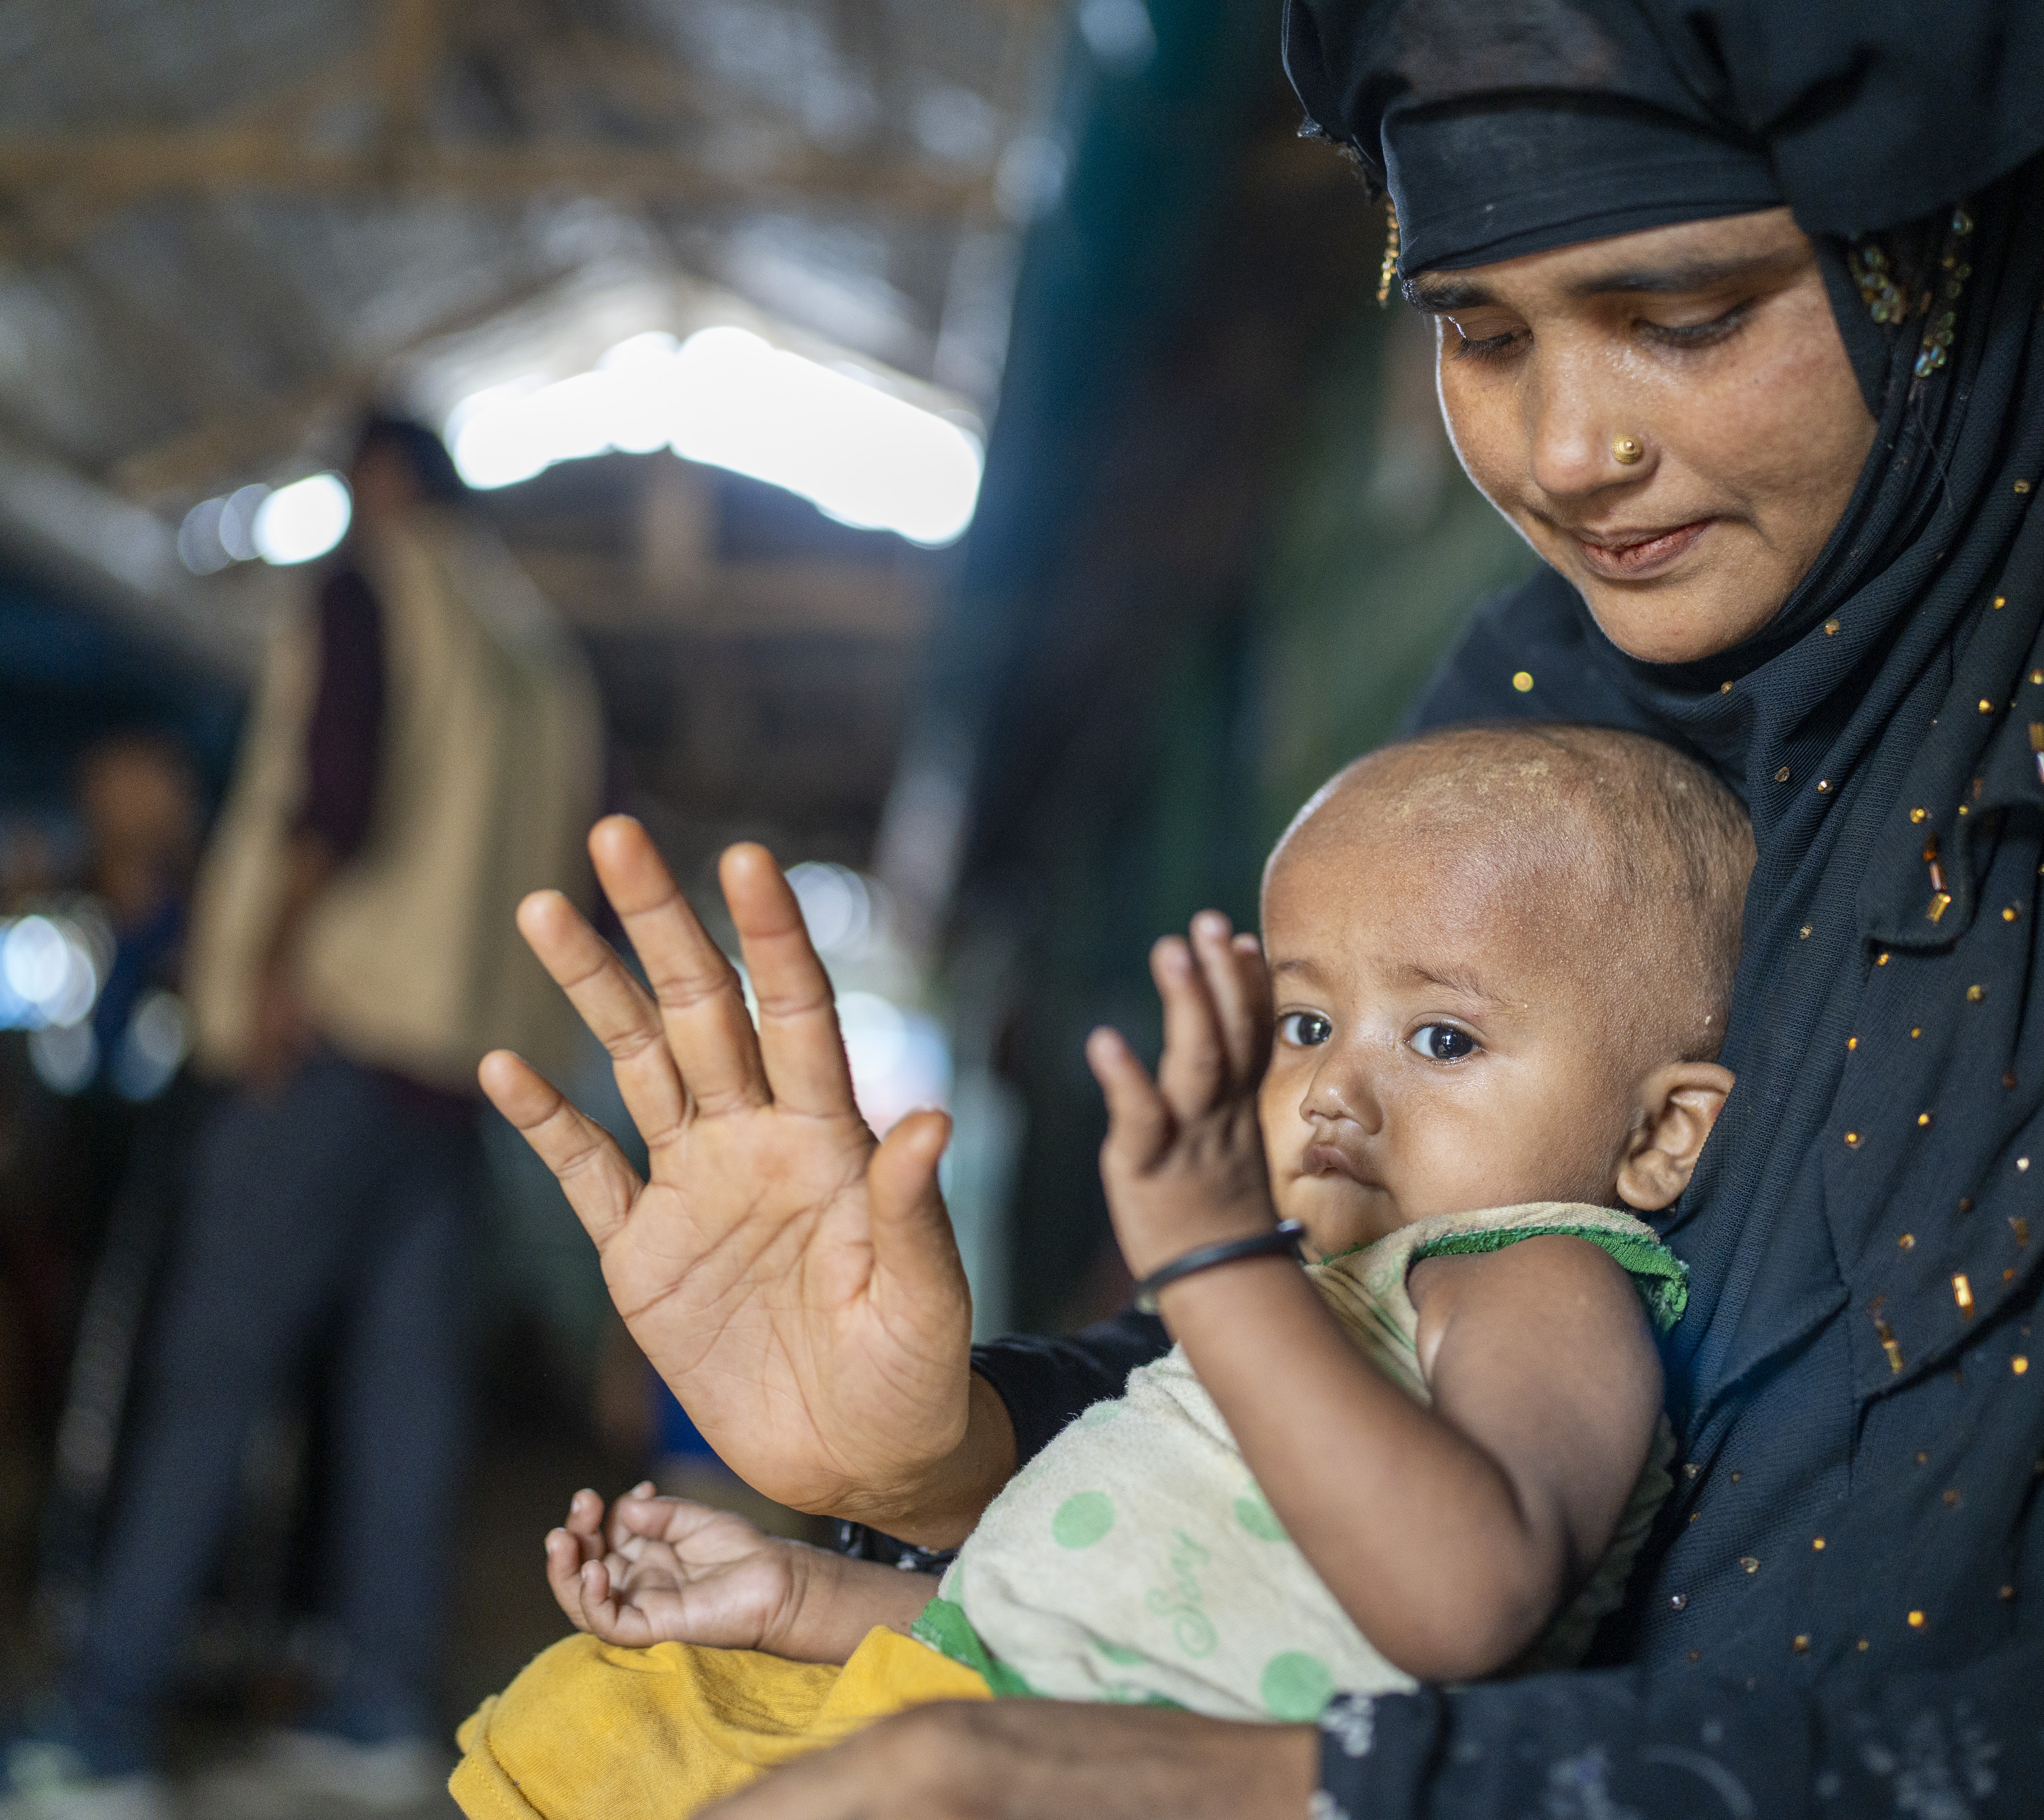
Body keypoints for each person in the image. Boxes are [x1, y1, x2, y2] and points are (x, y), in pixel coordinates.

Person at [477, 4, 2044, 1814]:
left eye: (1683, 315)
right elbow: (1359, 1393)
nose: (1570, 446)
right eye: (1482, 330)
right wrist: (947, 1447)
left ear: (1958, 247)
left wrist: (1234, 1792)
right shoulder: (1557, 709)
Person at [451, 725, 1752, 1817]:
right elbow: (1079, 1629)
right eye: (1306, 1023)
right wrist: (794, 1593)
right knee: (599, 1711)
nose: (1334, 1094)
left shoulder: (1536, 1282)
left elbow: (1471, 1602)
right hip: (989, 1718)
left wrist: (1222, 1272)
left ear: (1657, 1135)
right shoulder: (1314, 1294)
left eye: (1446, 1037)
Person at [0, 417, 603, 1818]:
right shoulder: (541, 660)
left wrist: (280, 962)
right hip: (455, 1075)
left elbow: (335, 800)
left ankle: (100, 1728)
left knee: (205, 1373)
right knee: (402, 1396)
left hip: (338, 1039)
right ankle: (380, 1711)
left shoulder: (373, 588)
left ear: (385, 482)